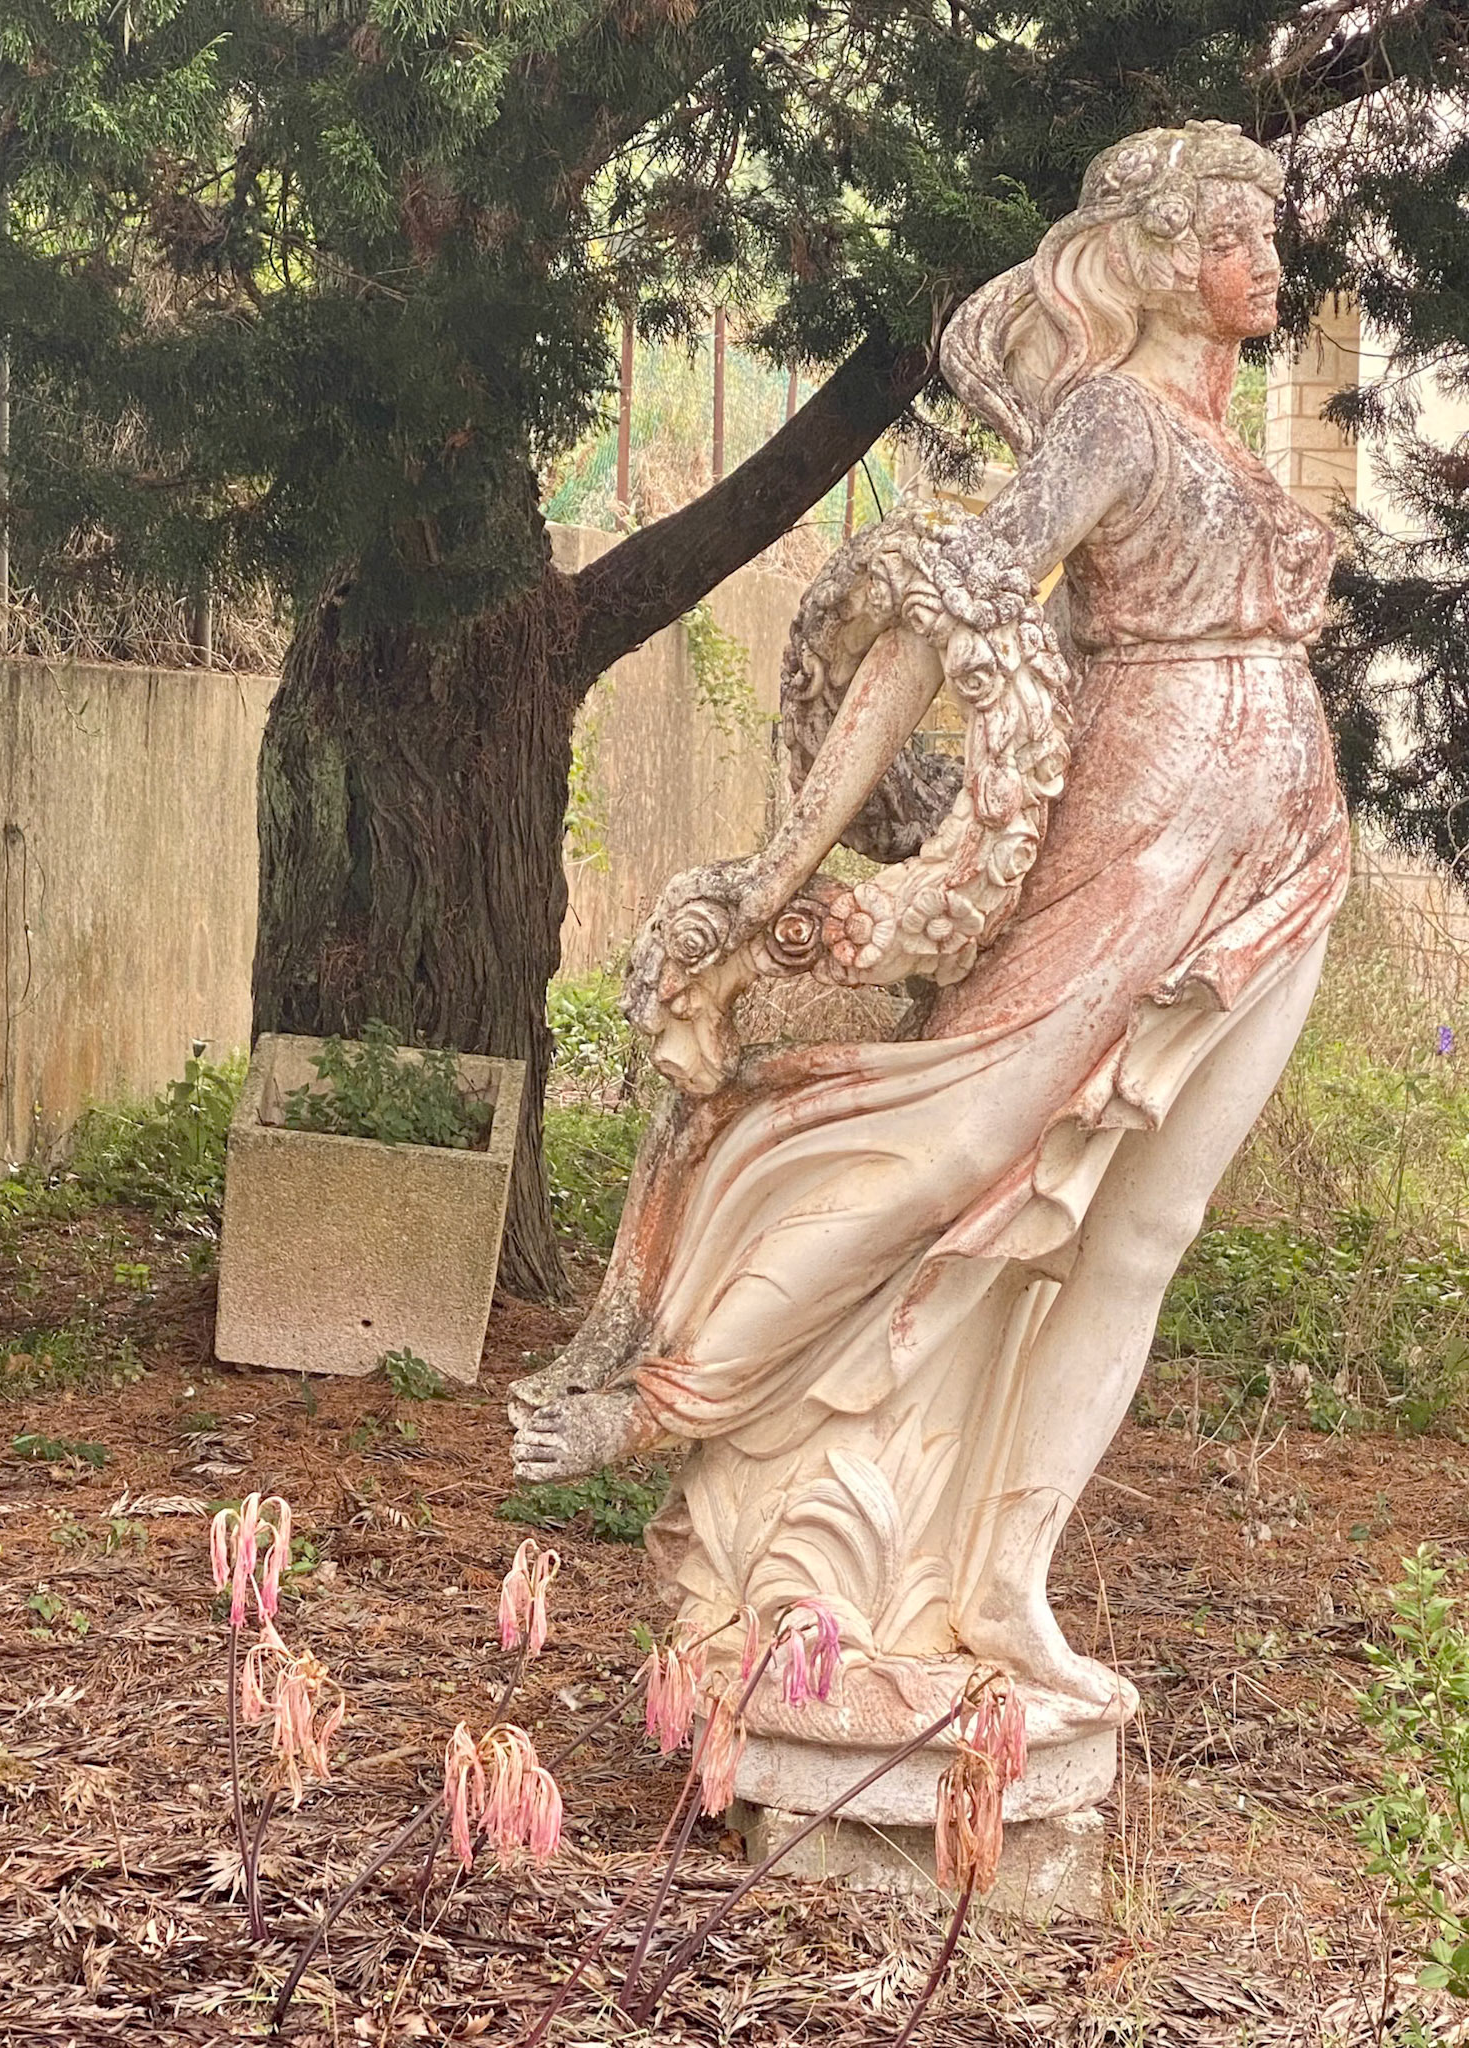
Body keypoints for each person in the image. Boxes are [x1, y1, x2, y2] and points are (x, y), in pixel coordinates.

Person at [511, 123, 1347, 1723]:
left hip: (1287, 838)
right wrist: (789, 858)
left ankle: (1007, 1584)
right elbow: (943, 608)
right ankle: (673, 1394)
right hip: (1145, 816)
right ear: (1164, 257)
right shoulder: (1111, 419)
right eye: (1237, 235)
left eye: (1266, 233)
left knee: (1145, 1235)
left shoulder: (1231, 442)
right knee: (966, 1131)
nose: (1267, 261)